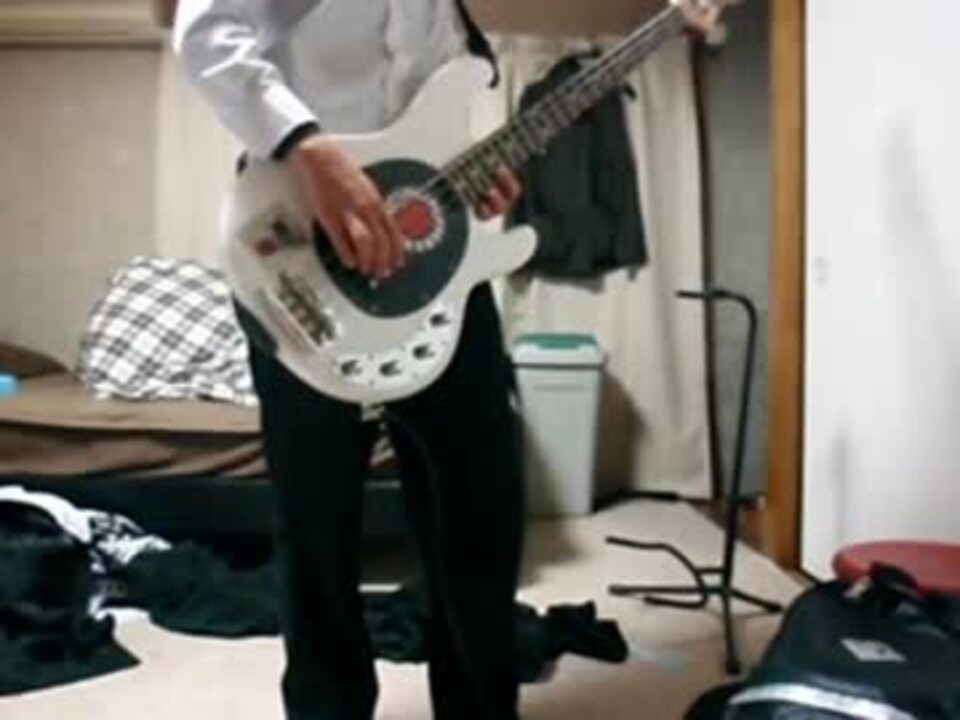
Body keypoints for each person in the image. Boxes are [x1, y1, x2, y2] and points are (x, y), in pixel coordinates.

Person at [173, 2, 525, 719]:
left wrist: (464, 169)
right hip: (302, 252)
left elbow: (421, 107)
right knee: (316, 524)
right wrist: (310, 149)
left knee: (483, 507)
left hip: (436, 266)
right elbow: (204, 33)